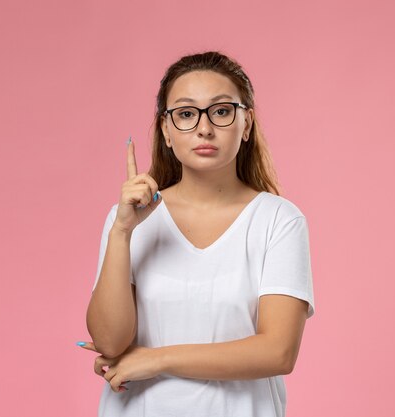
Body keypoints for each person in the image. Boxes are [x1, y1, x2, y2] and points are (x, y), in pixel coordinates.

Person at [78, 51, 315, 417]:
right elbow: (110, 341)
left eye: (221, 111)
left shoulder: (278, 220)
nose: (204, 128)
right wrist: (122, 231)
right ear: (166, 131)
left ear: (247, 123)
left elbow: (278, 352)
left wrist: (157, 360)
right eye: (186, 114)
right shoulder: (128, 219)